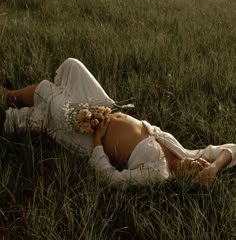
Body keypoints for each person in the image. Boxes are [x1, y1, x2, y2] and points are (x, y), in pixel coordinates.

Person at [1, 58, 235, 187]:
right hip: (106, 108)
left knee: (50, 97)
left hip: (89, 135)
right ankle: (25, 108)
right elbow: (231, 150)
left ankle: (9, 96)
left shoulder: (158, 173)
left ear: (188, 184)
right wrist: (214, 169)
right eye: (203, 164)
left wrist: (98, 140)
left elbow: (113, 179)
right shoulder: (184, 151)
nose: (199, 165)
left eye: (197, 174)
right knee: (73, 66)